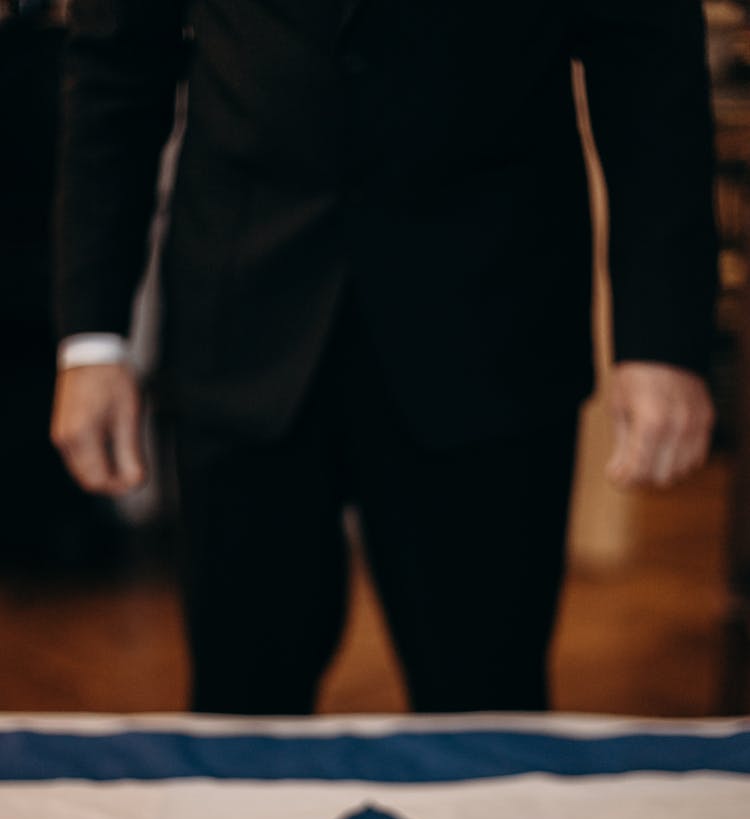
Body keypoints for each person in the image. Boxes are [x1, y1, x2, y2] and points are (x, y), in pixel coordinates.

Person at [50, 0, 718, 715]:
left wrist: (662, 340)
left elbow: (649, 63)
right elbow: (118, 67)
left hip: (491, 315)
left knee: (487, 707)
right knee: (239, 704)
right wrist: (93, 339)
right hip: (239, 307)